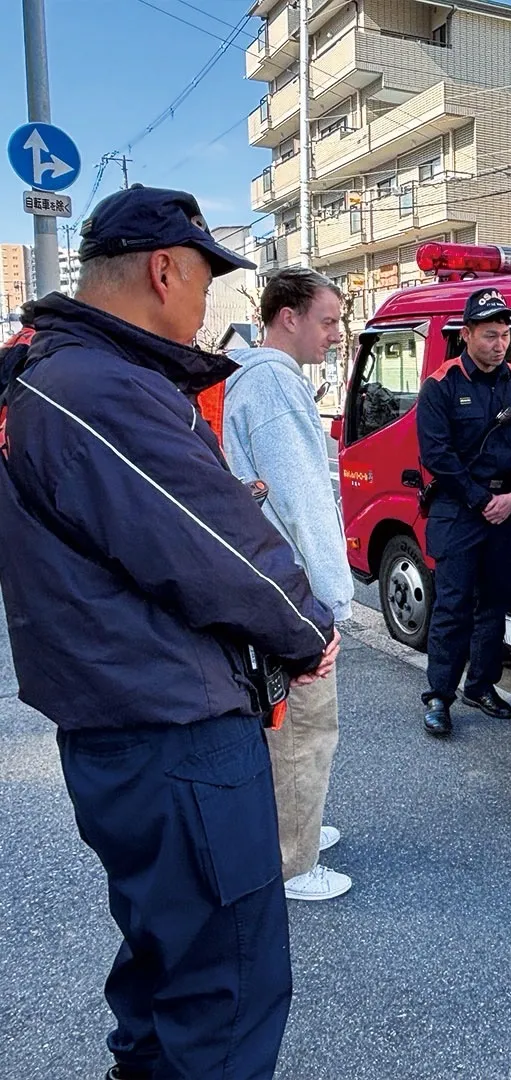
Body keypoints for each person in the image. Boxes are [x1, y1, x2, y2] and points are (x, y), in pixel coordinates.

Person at [0, 185, 340, 1080]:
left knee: (169, 954)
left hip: (128, 716)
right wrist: (308, 626)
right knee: (225, 981)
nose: (205, 304)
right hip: (172, 728)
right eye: (202, 280)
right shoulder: (98, 386)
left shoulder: (61, 372)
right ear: (163, 270)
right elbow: (212, 543)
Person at [223, 267, 356, 903]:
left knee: (282, 724)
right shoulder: (275, 385)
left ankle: (293, 832)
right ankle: (293, 863)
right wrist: (333, 599)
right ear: (288, 317)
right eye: (327, 321)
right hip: (295, 586)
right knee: (304, 726)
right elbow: (304, 499)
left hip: (268, 580)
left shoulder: (250, 379)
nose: (335, 334)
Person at [416, 286, 511, 737]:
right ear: (467, 334)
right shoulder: (441, 384)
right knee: (452, 606)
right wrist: (479, 499)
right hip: (459, 509)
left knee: (495, 604)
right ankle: (439, 696)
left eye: (505, 335)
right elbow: (437, 454)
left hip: (505, 510)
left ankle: (482, 685)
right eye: (490, 334)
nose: (499, 344)